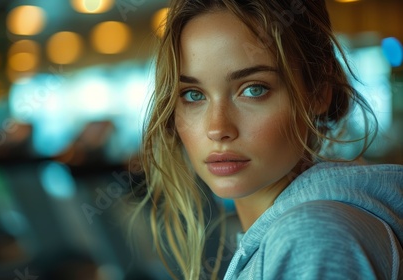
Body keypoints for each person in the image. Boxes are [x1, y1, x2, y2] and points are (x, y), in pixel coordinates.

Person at [132, 0, 403, 279]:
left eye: (253, 89)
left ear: (319, 93)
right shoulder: (294, 232)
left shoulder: (311, 237)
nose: (217, 128)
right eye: (193, 94)